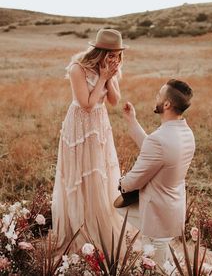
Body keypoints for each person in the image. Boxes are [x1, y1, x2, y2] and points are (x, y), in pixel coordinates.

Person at [52, 28, 128, 253]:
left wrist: (111, 78)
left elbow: (114, 101)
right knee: (81, 174)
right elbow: (86, 104)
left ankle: (99, 219)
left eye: (118, 55)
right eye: (111, 54)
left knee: (99, 173)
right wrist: (103, 78)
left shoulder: (112, 69)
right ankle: (79, 226)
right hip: (79, 127)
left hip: (99, 126)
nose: (115, 59)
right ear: (99, 51)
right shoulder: (78, 69)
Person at [115, 79, 195, 266]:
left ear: (166, 104)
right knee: (162, 259)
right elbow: (155, 152)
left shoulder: (159, 140)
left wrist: (121, 183)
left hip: (156, 214)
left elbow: (134, 180)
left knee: (155, 267)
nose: (156, 97)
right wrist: (132, 121)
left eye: (159, 94)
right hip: (173, 207)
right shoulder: (185, 132)